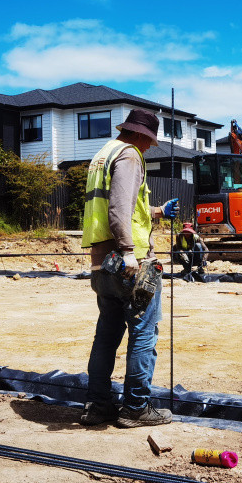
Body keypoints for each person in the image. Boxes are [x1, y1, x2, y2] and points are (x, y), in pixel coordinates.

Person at [79, 107, 179, 428]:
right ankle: (135, 407)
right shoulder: (130, 154)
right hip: (130, 263)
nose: (149, 147)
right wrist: (128, 251)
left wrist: (158, 211)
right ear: (137, 134)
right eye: (148, 140)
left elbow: (125, 204)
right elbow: (119, 208)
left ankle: (98, 405)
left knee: (107, 335)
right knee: (144, 333)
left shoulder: (103, 155)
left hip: (102, 264)